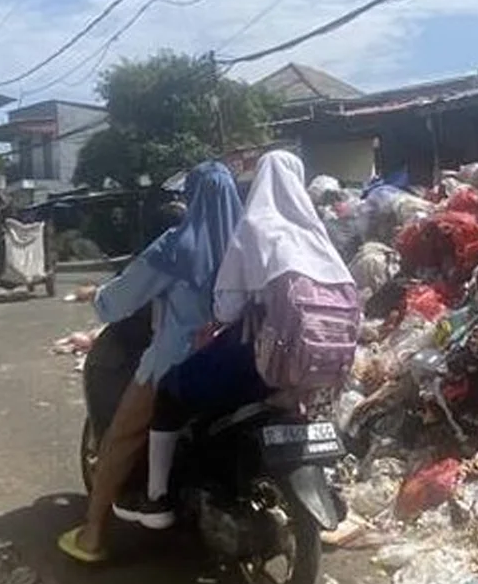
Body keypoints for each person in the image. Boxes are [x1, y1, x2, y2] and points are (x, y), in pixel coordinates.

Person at [132, 150, 356, 523]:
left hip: (261, 361)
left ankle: (157, 497)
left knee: (171, 389)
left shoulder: (257, 226)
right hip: (318, 368)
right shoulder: (318, 234)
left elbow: (227, 308)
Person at [57, 164, 242, 563]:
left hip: (174, 364)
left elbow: (122, 299)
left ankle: (91, 536)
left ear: (191, 198)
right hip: (235, 364)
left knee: (119, 440)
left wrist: (97, 296)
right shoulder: (250, 244)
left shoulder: (178, 245)